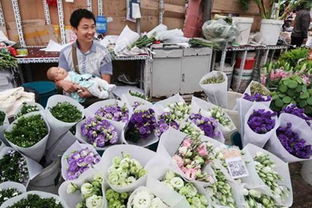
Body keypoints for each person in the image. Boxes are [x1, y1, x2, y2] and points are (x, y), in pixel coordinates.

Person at [57, 9, 113, 105]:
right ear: (74, 29)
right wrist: (62, 83)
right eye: (85, 27)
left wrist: (91, 92)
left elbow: (106, 83)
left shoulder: (103, 52)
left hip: (97, 99)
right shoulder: (65, 53)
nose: (90, 32)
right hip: (73, 101)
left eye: (93, 27)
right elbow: (58, 79)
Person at [47, 67, 116, 103]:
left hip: (87, 80)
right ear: (56, 79)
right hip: (84, 88)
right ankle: (100, 95)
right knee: (93, 86)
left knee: (98, 80)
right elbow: (75, 89)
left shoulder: (69, 73)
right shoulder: (66, 80)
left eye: (58, 69)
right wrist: (61, 83)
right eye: (57, 74)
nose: (60, 71)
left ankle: (107, 86)